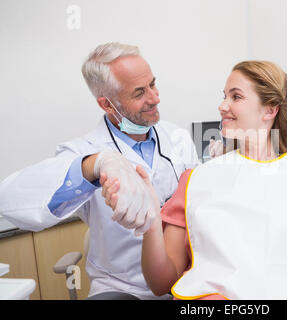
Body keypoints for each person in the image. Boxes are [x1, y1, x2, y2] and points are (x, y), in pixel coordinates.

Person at [101, 61, 287, 300]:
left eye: (236, 96)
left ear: (270, 109)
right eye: (223, 96)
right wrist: (152, 223)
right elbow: (160, 284)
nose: (222, 106)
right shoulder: (196, 182)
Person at [0, 42, 200, 299]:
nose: (155, 97)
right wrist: (95, 165)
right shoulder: (84, 151)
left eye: (153, 84)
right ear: (107, 105)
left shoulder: (179, 139)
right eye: (139, 93)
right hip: (122, 288)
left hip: (183, 280)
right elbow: (9, 199)